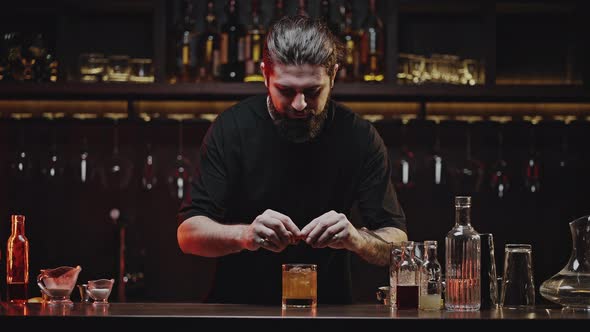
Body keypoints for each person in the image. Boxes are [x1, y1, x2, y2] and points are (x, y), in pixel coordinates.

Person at [177, 15, 407, 305]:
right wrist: (245, 235)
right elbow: (188, 235)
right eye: (286, 91)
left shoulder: (359, 137)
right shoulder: (230, 129)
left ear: (333, 76)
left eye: (312, 91)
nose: (299, 105)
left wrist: (356, 238)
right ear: (265, 76)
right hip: (238, 310)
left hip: (328, 311)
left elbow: (399, 245)